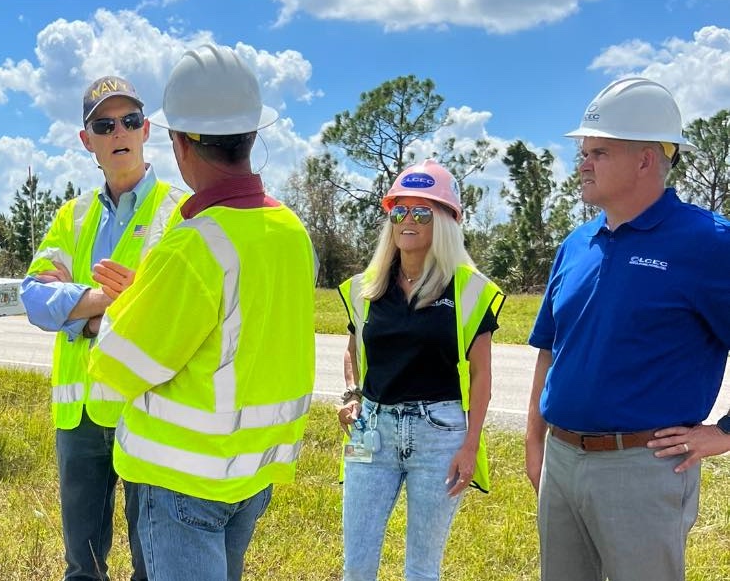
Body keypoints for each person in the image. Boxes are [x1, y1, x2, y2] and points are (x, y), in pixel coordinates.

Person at [88, 44, 317, 581]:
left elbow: (116, 368)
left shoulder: (193, 246)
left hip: (181, 482)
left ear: (181, 141)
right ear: (251, 136)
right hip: (253, 475)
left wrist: (130, 304)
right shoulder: (292, 233)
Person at [525, 77, 730, 581]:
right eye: (583, 151)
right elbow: (551, 349)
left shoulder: (707, 243)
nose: (583, 163)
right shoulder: (576, 244)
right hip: (562, 460)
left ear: (645, 160)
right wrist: (536, 443)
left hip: (643, 468)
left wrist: (724, 433)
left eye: (599, 151)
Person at [21, 74, 186, 581]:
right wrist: (103, 300)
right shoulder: (72, 216)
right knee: (82, 565)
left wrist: (83, 317)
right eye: (105, 124)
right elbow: (33, 297)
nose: (119, 132)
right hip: (80, 418)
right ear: (86, 139)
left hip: (145, 410)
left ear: (146, 129)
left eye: (130, 121)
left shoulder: (179, 212)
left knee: (151, 560)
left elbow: (173, 310)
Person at [336, 160, 504, 581]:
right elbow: (354, 348)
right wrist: (352, 394)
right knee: (355, 566)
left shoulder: (469, 290)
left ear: (446, 222)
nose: (407, 220)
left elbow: (482, 376)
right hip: (369, 433)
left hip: (440, 436)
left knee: (422, 569)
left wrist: (470, 445)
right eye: (399, 211)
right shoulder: (366, 287)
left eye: (422, 212)